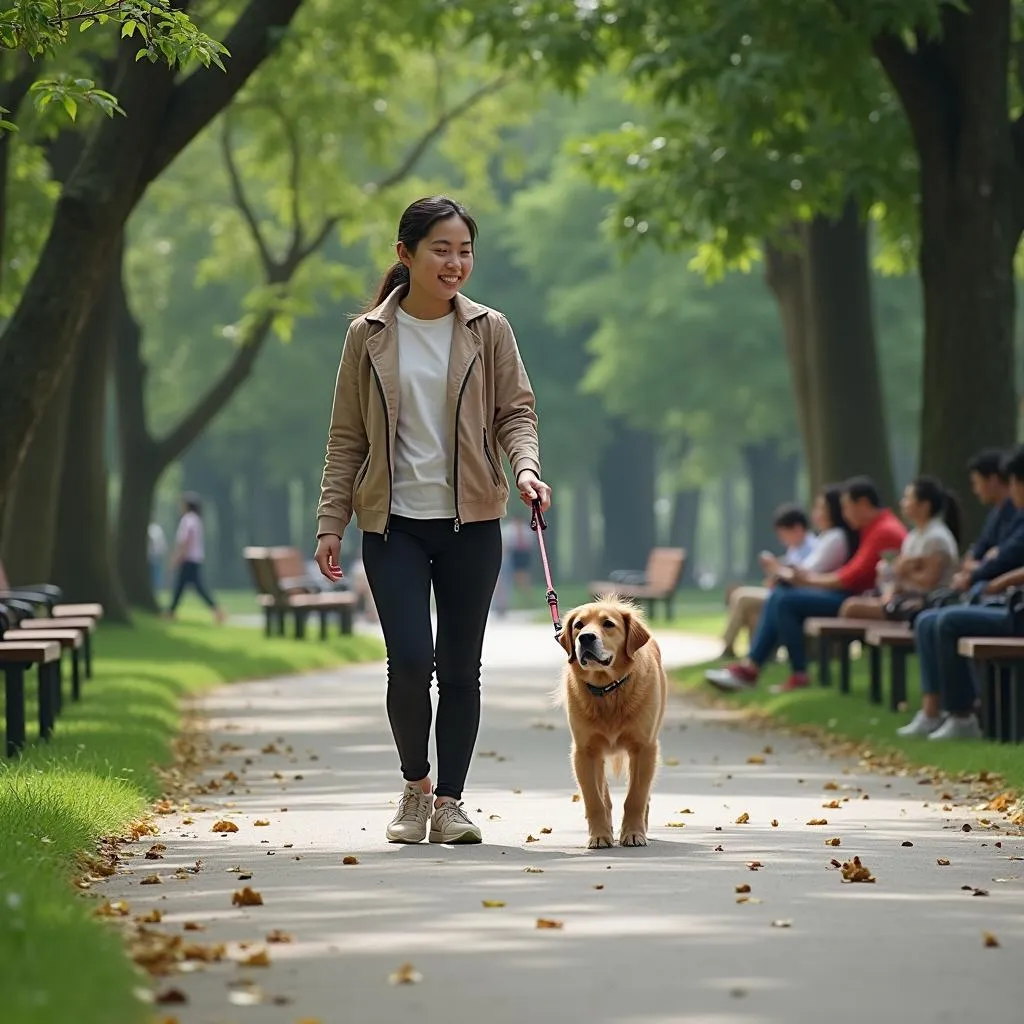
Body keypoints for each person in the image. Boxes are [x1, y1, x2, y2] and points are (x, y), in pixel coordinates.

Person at [313, 195, 551, 846]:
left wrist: (525, 469)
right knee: (411, 661)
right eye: (441, 249)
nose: (455, 263)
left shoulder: (488, 330)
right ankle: (415, 786)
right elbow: (345, 438)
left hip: (471, 523)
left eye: (465, 250)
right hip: (393, 525)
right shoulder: (367, 336)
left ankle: (451, 804)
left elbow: (516, 413)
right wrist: (331, 521)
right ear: (406, 255)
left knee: (461, 666)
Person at [707, 476, 906, 693]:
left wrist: (805, 579)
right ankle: (756, 667)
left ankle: (776, 670)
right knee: (782, 596)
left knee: (784, 599)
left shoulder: (882, 531)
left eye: (847, 506)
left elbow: (849, 577)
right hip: (854, 594)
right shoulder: (872, 529)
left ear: (863, 504)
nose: (845, 512)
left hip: (859, 598)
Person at [899, 445, 1024, 740]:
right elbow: (985, 554)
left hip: (1015, 610)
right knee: (930, 619)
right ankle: (935, 711)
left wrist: (997, 579)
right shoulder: (1003, 515)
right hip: (1008, 604)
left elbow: (1003, 557)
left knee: (948, 620)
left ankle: (963, 714)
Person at [721, 492, 854, 656]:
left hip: (810, 595)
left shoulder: (830, 539)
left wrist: (777, 569)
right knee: (753, 606)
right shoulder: (814, 542)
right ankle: (756, 657)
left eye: (821, 508)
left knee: (744, 597)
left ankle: (742, 654)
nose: (816, 513)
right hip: (801, 592)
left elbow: (803, 575)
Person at [840, 476, 961, 621]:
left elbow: (929, 581)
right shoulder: (914, 536)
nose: (903, 503)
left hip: (925, 604)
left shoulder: (936, 538)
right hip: (902, 598)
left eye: (908, 499)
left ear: (924, 505)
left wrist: (903, 571)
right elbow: (901, 571)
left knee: (851, 608)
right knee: (854, 604)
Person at [165, 493, 226, 623]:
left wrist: (177, 557)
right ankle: (171, 611)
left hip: (188, 559)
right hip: (195, 558)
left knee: (186, 587)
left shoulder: (188, 519)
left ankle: (171, 612)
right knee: (186, 587)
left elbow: (185, 541)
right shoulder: (197, 520)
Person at [147, 521, 167, 595]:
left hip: (154, 556)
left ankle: (155, 591)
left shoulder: (154, 529)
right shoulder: (157, 529)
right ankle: (155, 591)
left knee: (155, 575)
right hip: (155, 556)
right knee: (155, 575)